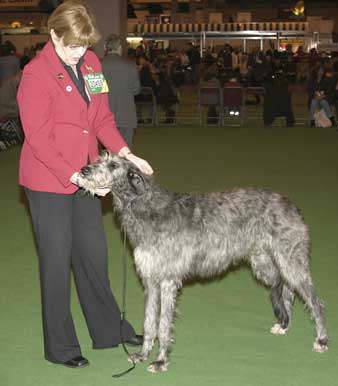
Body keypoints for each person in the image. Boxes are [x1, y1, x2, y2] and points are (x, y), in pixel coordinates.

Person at [17, 0, 153, 369]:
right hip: (48, 181)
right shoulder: (35, 75)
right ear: (54, 35)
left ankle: (109, 330)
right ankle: (60, 347)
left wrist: (126, 154)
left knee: (94, 255)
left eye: (84, 45)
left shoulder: (93, 65)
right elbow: (39, 140)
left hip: (85, 177)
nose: (78, 53)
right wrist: (77, 176)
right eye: (71, 45)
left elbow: (103, 120)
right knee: (57, 264)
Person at [102, 34, 141, 148]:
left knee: (107, 154)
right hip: (126, 116)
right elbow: (136, 90)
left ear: (105, 47)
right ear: (120, 47)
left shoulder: (97, 66)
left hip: (104, 117)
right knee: (125, 153)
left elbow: (95, 92)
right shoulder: (130, 66)